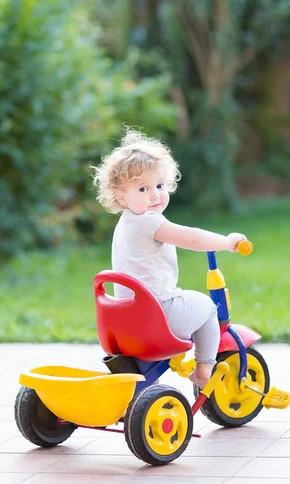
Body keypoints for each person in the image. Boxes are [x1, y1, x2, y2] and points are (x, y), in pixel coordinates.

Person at [93, 128, 246, 388]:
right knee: (208, 308)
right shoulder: (150, 222)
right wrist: (226, 242)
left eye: (160, 186)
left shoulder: (126, 222)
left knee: (190, 303)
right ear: (121, 195)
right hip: (157, 313)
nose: (155, 195)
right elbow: (192, 238)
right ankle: (203, 369)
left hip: (125, 319)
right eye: (143, 188)